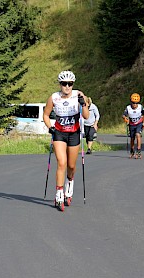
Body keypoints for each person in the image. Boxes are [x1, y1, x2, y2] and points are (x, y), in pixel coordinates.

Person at [43, 70, 89, 211]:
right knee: (61, 163)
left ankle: (69, 188)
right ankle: (59, 195)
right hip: (59, 134)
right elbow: (45, 114)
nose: (67, 87)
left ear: (73, 84)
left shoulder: (79, 95)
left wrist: (83, 104)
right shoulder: (54, 98)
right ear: (60, 84)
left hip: (74, 134)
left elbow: (86, 116)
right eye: (64, 84)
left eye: (70, 84)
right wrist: (50, 127)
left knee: (71, 166)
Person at [122, 93, 144, 159]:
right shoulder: (128, 108)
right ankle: (132, 151)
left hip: (139, 123)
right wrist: (125, 118)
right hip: (131, 124)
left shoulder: (140, 107)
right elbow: (124, 115)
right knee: (132, 138)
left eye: (136, 103)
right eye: (133, 103)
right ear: (131, 102)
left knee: (138, 135)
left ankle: (138, 151)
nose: (135, 104)